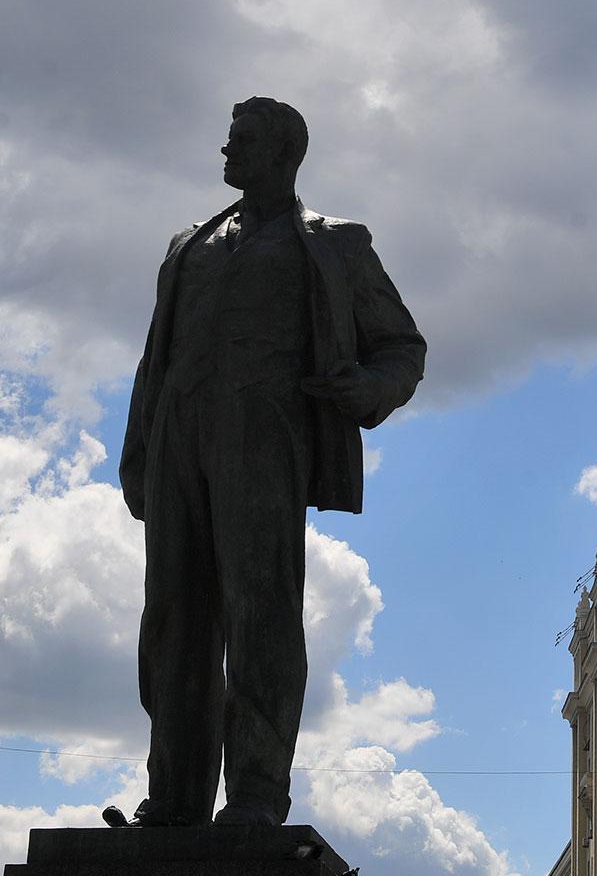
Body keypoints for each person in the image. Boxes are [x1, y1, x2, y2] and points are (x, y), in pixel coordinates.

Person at [109, 97, 425, 828]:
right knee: (172, 620)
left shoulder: (334, 243)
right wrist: (139, 451)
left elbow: (402, 347)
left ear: (284, 153)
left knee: (261, 611)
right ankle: (176, 798)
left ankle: (254, 793)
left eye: (240, 143)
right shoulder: (186, 244)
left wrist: (367, 388)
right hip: (178, 437)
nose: (225, 156)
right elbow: (152, 361)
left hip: (264, 432)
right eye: (227, 143)